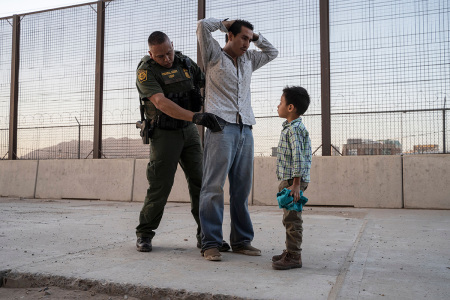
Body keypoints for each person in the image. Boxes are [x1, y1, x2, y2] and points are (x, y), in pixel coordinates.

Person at [135, 31, 228, 252]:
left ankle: (207, 236)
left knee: (202, 184)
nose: (167, 59)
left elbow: (209, 82)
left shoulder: (185, 62)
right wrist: (196, 117)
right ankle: (145, 233)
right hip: (164, 134)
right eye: (160, 56)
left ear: (172, 45)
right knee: (160, 186)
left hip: (189, 132)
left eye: (169, 52)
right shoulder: (146, 71)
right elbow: (160, 102)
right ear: (151, 54)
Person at [196, 18, 279, 261]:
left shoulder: (249, 60)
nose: (247, 43)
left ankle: (242, 241)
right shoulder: (213, 55)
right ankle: (210, 243)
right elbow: (202, 26)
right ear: (229, 36)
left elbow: (273, 52)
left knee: (241, 190)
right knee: (213, 187)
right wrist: (224, 23)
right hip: (221, 128)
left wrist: (256, 38)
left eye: (249, 39)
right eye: (243, 37)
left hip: (246, 129)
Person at [272, 86, 311, 270]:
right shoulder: (292, 127)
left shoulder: (294, 130)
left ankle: (294, 256)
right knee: (289, 217)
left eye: (280, 102)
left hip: (292, 181)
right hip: (291, 180)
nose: (277, 105)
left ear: (290, 107)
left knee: (292, 218)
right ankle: (290, 250)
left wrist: (295, 184)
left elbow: (298, 157)